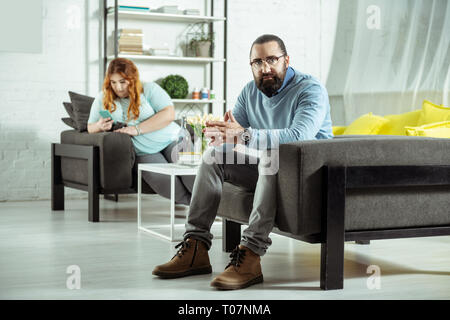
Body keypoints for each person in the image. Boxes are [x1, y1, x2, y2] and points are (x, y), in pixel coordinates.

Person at [152, 34, 333, 289]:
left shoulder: (310, 90)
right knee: (214, 156)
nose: (265, 68)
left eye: (272, 59)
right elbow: (234, 133)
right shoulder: (250, 92)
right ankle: (195, 247)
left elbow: (297, 136)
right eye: (257, 62)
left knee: (272, 155)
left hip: (310, 176)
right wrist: (220, 136)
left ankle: (250, 255)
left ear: (286, 60)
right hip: (273, 170)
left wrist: (241, 134)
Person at [87, 57, 194, 205]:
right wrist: (99, 126)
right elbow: (90, 127)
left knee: (191, 175)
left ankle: (213, 207)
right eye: (113, 82)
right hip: (144, 151)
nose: (118, 87)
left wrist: (136, 129)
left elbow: (169, 114)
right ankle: (199, 210)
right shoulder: (103, 97)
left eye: (122, 82)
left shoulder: (149, 89)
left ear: (132, 79)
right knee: (164, 181)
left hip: (174, 138)